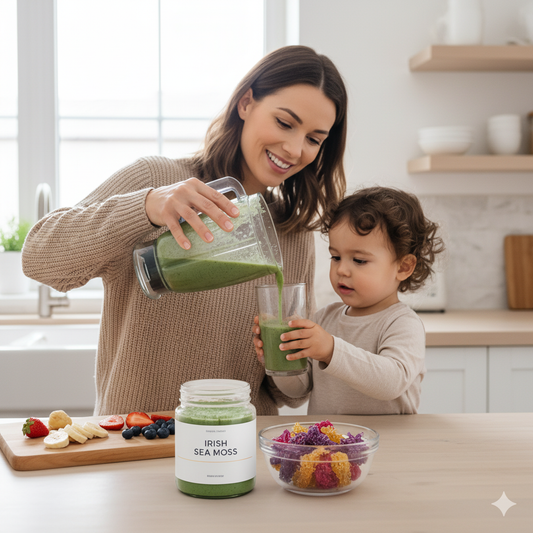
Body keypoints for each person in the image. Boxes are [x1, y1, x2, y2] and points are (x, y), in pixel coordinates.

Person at [22, 45, 348, 416]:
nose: (293, 148)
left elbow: (292, 392)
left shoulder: (291, 230)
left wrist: (289, 357)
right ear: (246, 104)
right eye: (285, 123)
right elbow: (39, 260)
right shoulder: (158, 182)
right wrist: (146, 207)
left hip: (234, 448)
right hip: (134, 443)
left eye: (314, 139)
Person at [253, 187, 445, 415]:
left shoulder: (402, 323)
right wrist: (278, 358)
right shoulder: (324, 318)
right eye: (336, 257)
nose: (342, 269)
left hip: (391, 446)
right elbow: (298, 390)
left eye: (359, 260)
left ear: (403, 267)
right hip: (332, 445)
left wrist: (331, 350)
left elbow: (391, 382)